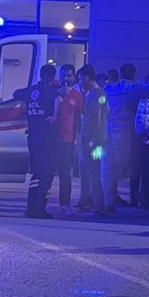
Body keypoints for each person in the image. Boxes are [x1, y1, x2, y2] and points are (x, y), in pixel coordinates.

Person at [101, 63, 149, 208]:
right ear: (133, 74)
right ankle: (119, 198)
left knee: (109, 167)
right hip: (124, 134)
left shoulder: (110, 88)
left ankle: (108, 200)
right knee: (125, 165)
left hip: (107, 131)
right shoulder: (134, 88)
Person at [24, 63, 60, 219]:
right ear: (52, 77)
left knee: (36, 174)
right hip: (47, 138)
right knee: (46, 174)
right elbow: (59, 101)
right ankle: (39, 209)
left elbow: (15, 93)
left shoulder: (31, 91)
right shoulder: (52, 93)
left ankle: (30, 207)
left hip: (32, 137)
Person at [75, 65, 107, 213]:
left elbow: (97, 119)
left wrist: (88, 136)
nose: (80, 82)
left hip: (94, 141)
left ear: (87, 78)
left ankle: (98, 205)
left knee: (94, 171)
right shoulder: (96, 94)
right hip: (95, 139)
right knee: (87, 170)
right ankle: (87, 199)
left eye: (80, 78)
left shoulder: (97, 95)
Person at [52, 63, 82, 215]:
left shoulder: (77, 96)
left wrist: (77, 138)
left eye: (69, 75)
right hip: (52, 139)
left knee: (65, 173)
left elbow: (79, 118)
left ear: (74, 77)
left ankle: (64, 204)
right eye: (63, 74)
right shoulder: (54, 92)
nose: (66, 78)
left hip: (68, 139)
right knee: (48, 171)